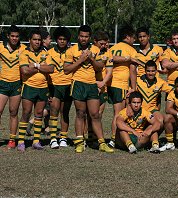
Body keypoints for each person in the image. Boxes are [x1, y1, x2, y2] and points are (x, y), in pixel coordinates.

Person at [64, 25, 113, 153]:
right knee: (80, 113)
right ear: (78, 36)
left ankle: (101, 143)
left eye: (86, 36)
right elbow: (66, 70)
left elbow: (99, 67)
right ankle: (79, 142)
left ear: (90, 37)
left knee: (95, 114)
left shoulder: (96, 50)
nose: (84, 38)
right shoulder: (71, 50)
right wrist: (80, 60)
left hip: (92, 85)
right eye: (81, 36)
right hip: (78, 84)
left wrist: (91, 58)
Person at [17, 29, 54, 151]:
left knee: (39, 114)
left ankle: (36, 141)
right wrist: (42, 67)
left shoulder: (46, 53)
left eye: (39, 40)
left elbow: (51, 69)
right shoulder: (24, 53)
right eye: (35, 39)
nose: (37, 42)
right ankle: (21, 141)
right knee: (26, 113)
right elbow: (25, 71)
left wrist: (36, 66)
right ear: (29, 40)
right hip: (29, 87)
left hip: (43, 87)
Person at [105, 25, 141, 148]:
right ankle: (113, 139)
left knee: (120, 112)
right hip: (120, 84)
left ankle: (119, 138)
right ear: (127, 37)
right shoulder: (131, 50)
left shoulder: (113, 48)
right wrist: (134, 87)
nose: (134, 40)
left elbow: (108, 59)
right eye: (133, 38)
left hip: (111, 83)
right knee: (118, 114)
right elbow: (133, 70)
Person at [0, 25, 26, 149]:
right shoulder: (1, 47)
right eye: (12, 36)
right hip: (2, 84)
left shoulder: (23, 49)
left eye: (17, 36)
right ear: (8, 36)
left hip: (16, 84)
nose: (15, 38)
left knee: (13, 112)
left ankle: (12, 139)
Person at [47, 27, 73, 149]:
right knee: (54, 112)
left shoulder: (71, 51)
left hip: (68, 85)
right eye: (60, 39)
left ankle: (63, 138)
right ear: (56, 40)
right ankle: (53, 138)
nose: (62, 41)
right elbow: (48, 70)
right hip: (54, 85)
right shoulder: (50, 52)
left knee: (65, 112)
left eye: (64, 39)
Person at [136, 60, 173, 128]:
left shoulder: (161, 82)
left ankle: (151, 135)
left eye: (153, 71)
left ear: (156, 71)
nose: (150, 73)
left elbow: (172, 90)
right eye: (148, 71)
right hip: (140, 109)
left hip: (152, 110)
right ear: (145, 71)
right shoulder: (137, 80)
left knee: (160, 121)